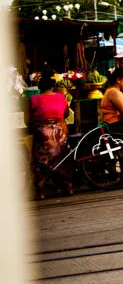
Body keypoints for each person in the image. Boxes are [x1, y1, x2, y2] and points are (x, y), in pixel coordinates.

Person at [29, 69, 71, 198]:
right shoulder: (60, 97)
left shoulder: (33, 99)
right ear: (53, 86)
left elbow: (27, 120)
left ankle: (40, 189)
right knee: (61, 157)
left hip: (43, 133)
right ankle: (67, 186)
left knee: (41, 157)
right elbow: (67, 114)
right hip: (59, 133)